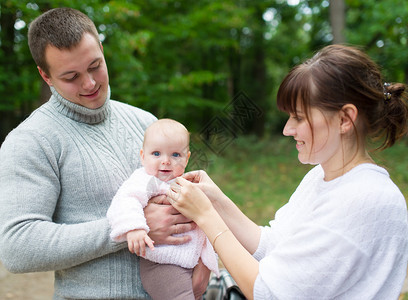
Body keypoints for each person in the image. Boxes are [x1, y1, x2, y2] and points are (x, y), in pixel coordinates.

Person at [167, 44, 408, 299]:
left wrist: (206, 216)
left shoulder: (366, 199)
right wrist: (216, 202)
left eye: (299, 118)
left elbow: (268, 292)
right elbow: (275, 246)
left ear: (345, 119)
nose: (287, 129)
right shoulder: (321, 176)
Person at [0, 7, 209, 300]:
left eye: (95, 65)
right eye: (71, 76)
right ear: (45, 76)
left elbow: (184, 200)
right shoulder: (31, 141)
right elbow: (18, 247)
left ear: (101, 49)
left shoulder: (146, 123)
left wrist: (204, 264)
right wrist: (129, 229)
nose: (89, 83)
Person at [107, 118, 219, 299]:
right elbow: (125, 202)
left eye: (175, 155)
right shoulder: (144, 181)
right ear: (143, 156)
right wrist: (134, 228)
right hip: (162, 263)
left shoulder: (186, 182)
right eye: (157, 154)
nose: (166, 161)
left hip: (190, 260)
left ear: (187, 158)